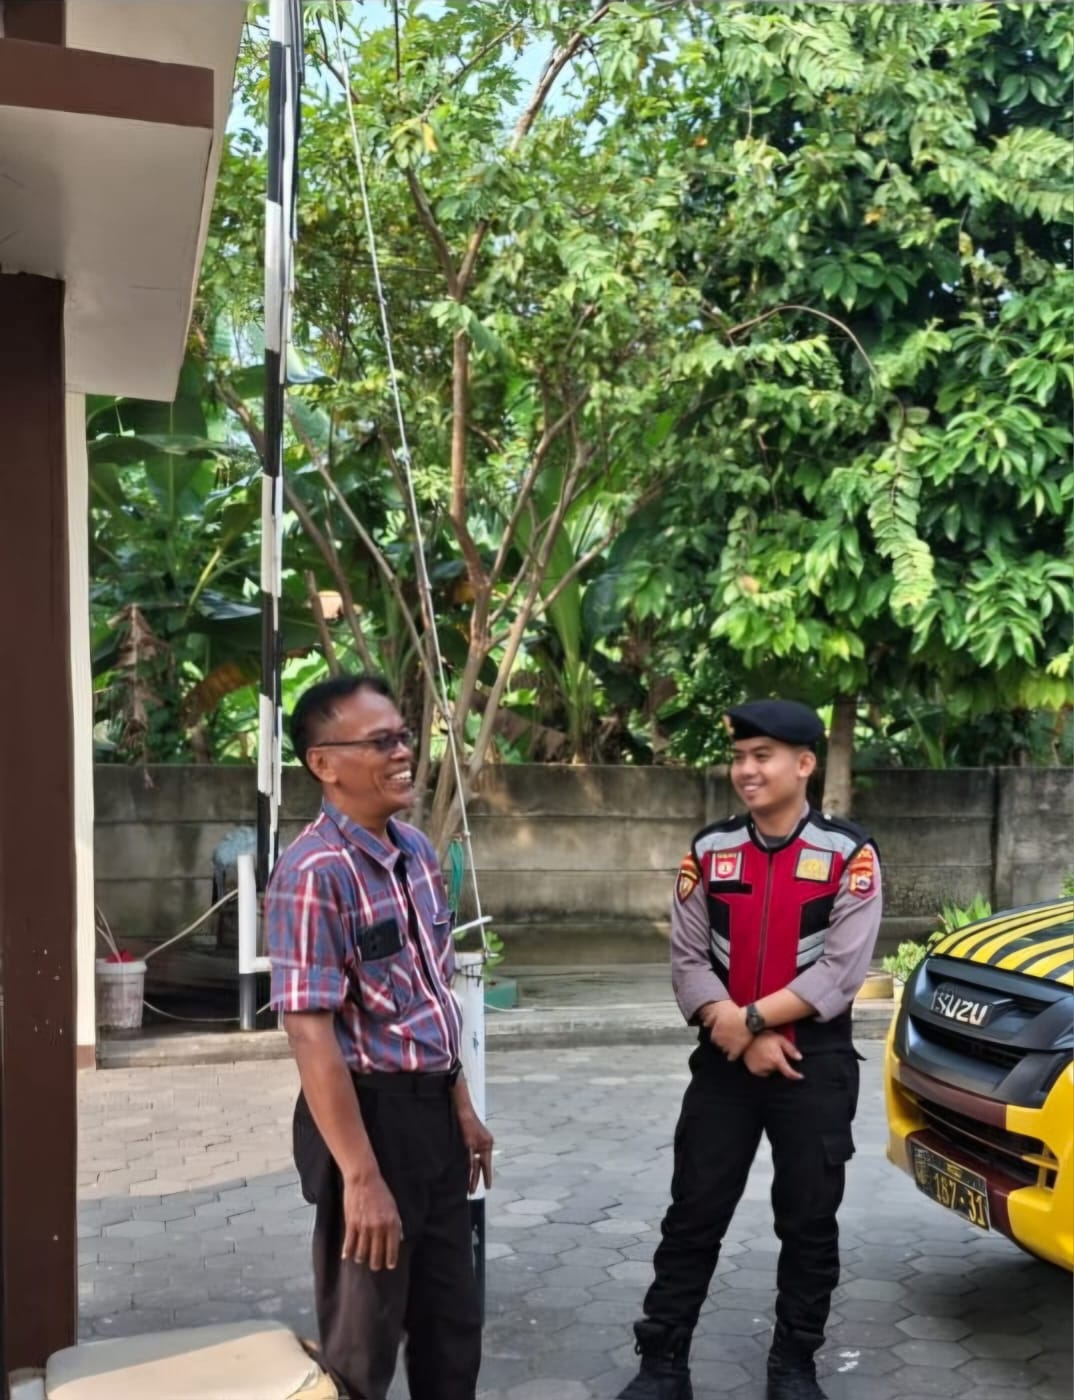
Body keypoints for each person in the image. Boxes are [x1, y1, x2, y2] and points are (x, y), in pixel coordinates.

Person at [617, 699, 883, 1400]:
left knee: (808, 1221)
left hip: (812, 1065)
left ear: (804, 764)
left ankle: (793, 1365)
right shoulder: (709, 852)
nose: (746, 770)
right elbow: (687, 960)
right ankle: (662, 1363)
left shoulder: (849, 855)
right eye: (739, 757)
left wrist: (754, 1023)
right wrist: (732, 1030)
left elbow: (841, 973)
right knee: (693, 1213)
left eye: (763, 756)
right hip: (724, 1063)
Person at [265, 673, 492, 1400]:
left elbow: (431, 997)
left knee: (451, 1329)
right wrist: (362, 1179)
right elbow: (310, 1035)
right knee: (363, 1348)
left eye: (404, 736)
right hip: (368, 1123)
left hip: (435, 1121)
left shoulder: (416, 852)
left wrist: (461, 1106)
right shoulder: (313, 873)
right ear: (324, 764)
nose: (403, 753)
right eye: (381, 741)